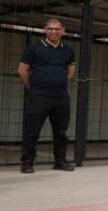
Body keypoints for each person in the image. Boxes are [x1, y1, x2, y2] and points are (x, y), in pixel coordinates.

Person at [17, 17, 76, 173]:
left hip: (61, 97)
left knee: (61, 131)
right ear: (45, 30)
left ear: (63, 31)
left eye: (57, 29)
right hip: (38, 96)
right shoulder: (34, 47)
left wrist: (60, 82)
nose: (54, 32)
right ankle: (27, 161)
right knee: (32, 130)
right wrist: (33, 87)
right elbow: (22, 70)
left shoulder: (68, 50)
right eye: (50, 28)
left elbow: (71, 70)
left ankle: (60, 161)